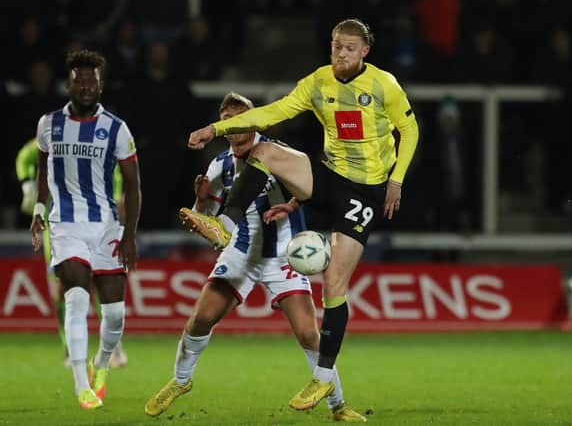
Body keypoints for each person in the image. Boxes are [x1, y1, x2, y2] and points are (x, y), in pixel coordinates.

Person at [187, 19, 419, 411]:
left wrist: (396, 181)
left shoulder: (384, 85)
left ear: (365, 51)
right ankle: (222, 224)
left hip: (365, 188)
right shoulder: (318, 82)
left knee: (333, 284)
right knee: (264, 152)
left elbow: (409, 132)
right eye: (335, 46)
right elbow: (271, 113)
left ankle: (323, 378)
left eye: (348, 48)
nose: (340, 53)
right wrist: (216, 128)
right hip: (329, 176)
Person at [144, 92, 366, 422]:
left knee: (308, 334)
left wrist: (293, 206)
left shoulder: (277, 154)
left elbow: (312, 190)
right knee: (200, 319)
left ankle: (338, 406)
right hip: (240, 254)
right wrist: (201, 201)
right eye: (227, 119)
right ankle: (179, 381)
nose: (234, 126)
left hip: (284, 258)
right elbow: (204, 220)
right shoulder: (219, 165)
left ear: (255, 119)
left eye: (241, 117)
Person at [30, 50, 141, 410]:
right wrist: (38, 210)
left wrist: (129, 235)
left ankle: (102, 364)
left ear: (101, 85)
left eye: (91, 81)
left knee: (114, 316)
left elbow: (133, 185)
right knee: (75, 298)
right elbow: (43, 173)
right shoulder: (48, 125)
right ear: (69, 83)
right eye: (79, 80)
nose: (85, 86)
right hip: (65, 226)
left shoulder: (117, 128)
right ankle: (81, 385)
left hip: (106, 227)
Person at [16, 137, 129, 368]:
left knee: (99, 285)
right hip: (59, 230)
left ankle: (113, 346)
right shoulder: (55, 145)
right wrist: (27, 183)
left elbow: (118, 200)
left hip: (97, 228)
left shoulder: (103, 160)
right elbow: (24, 156)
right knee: (59, 292)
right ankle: (69, 347)